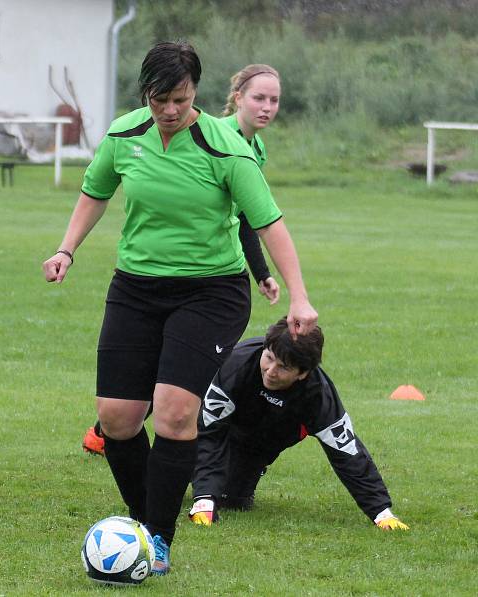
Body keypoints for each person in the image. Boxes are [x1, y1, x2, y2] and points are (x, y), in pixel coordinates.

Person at [43, 41, 317, 575]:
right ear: (145, 93)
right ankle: (144, 521)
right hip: (135, 288)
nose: (169, 109)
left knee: (172, 411)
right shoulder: (125, 133)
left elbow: (269, 223)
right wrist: (66, 248)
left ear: (197, 93)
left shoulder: (225, 146)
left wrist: (298, 294)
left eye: (181, 98)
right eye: (159, 98)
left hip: (211, 292)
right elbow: (95, 192)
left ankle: (159, 540)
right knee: (117, 419)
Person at [80, 64, 283, 458]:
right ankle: (108, 433)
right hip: (159, 276)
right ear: (237, 97)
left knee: (177, 380)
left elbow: (244, 218)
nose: (267, 107)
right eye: (259, 97)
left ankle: (148, 460)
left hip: (215, 278)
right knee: (160, 377)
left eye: (274, 100)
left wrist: (261, 273)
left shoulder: (254, 148)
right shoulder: (218, 138)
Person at [189, 318, 409, 531]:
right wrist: (204, 499)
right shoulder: (238, 364)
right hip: (214, 426)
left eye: (283, 367)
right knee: (174, 473)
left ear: (303, 373)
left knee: (233, 501)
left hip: (259, 445)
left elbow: (347, 453)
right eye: (269, 357)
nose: (271, 371)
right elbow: (210, 431)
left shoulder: (318, 396)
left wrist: (382, 513)